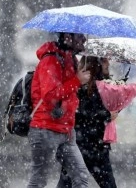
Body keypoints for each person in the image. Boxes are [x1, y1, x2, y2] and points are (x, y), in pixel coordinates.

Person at [27, 32, 91, 188]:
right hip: (45, 128)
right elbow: (50, 96)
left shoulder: (70, 60)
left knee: (81, 178)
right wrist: (77, 81)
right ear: (67, 37)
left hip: (66, 130)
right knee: (39, 180)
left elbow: (71, 94)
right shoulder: (51, 60)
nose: (84, 39)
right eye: (80, 36)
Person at [57, 56, 118, 188]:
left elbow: (104, 105)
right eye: (104, 61)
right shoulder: (82, 86)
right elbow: (82, 113)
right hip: (88, 145)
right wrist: (107, 115)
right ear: (96, 65)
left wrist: (111, 112)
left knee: (67, 182)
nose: (108, 63)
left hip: (88, 144)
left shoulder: (101, 85)